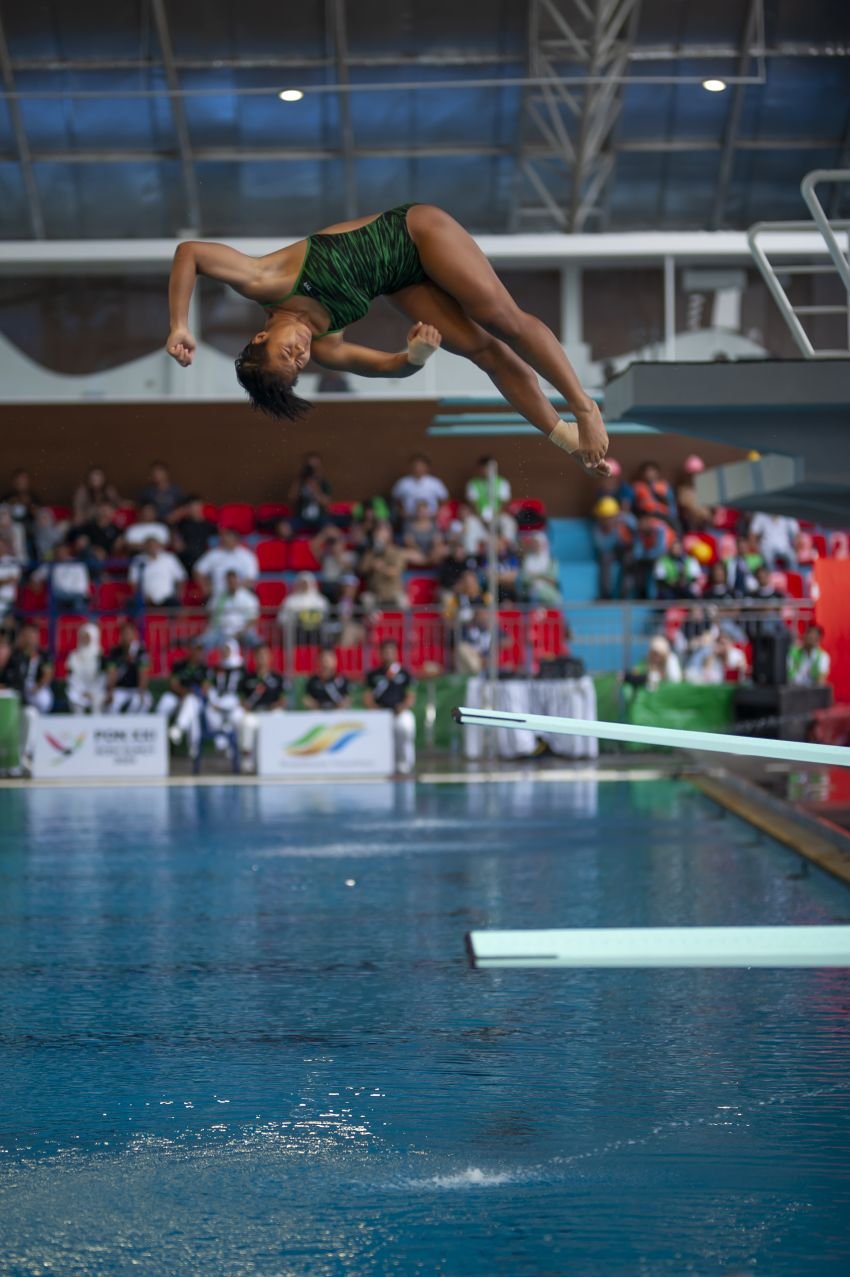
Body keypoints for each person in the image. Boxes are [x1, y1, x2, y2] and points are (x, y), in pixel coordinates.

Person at [165, 204, 610, 473]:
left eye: (287, 350)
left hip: (415, 231)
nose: (302, 352)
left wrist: (180, 324)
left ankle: (583, 407)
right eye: (298, 362)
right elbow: (389, 367)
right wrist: (416, 356)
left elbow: (191, 254)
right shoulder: (327, 347)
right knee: (482, 352)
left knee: (500, 319)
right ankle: (565, 437)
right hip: (401, 279)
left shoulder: (265, 279)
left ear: (262, 332)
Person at [364, 639, 416, 775]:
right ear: (380, 654)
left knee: (405, 727)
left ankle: (405, 764)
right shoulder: (373, 675)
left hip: (400, 712)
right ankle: (381, 764)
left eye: (391, 651)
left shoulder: (404, 674)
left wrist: (402, 707)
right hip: (380, 713)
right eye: (385, 651)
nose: (388, 654)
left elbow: (411, 696)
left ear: (396, 653)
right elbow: (367, 697)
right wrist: (377, 711)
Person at [235, 643, 287, 766]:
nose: (262, 658)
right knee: (246, 722)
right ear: (254, 658)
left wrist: (277, 705)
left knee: (280, 717)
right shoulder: (247, 678)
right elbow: (240, 698)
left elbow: (283, 699)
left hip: (271, 712)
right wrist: (244, 705)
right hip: (254, 713)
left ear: (270, 658)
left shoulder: (277, 678)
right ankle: (247, 760)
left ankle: (278, 757)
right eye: (259, 655)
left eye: (265, 655)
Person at [194, 526, 259, 599]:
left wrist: (233, 587)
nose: (225, 539)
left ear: (236, 539)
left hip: (240, 595)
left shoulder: (247, 556)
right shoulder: (214, 554)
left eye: (229, 537)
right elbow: (198, 570)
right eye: (224, 537)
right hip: (217, 594)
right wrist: (205, 586)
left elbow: (251, 580)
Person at [203, 569, 261, 650]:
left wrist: (241, 632)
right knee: (203, 642)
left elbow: (253, 619)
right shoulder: (219, 596)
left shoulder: (248, 597)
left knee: (258, 643)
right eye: (229, 581)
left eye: (234, 580)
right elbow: (209, 612)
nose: (232, 583)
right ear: (226, 582)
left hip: (242, 632)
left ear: (238, 580)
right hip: (221, 631)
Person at [102, 621, 152, 713]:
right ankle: (113, 727)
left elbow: (144, 675)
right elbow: (111, 673)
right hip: (120, 689)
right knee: (111, 705)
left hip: (136, 689)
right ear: (121, 636)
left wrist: (141, 692)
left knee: (143, 701)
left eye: (130, 634)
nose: (127, 637)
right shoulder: (115, 652)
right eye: (125, 634)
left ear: (135, 635)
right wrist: (110, 691)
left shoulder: (141, 652)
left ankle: (135, 726)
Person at [129, 536, 187, 608]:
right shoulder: (138, 560)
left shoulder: (169, 558)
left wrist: (178, 595)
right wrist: (142, 596)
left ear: (159, 546)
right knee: (130, 604)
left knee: (175, 604)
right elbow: (133, 582)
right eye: (149, 545)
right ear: (144, 547)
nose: (152, 548)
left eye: (154, 545)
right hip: (146, 599)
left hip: (167, 598)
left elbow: (181, 578)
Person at [392, 455, 449, 522]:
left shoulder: (435, 483)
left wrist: (438, 512)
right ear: (411, 467)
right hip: (410, 518)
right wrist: (401, 512)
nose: (418, 468)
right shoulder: (403, 483)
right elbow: (395, 499)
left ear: (427, 467)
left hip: (431, 519)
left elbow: (444, 499)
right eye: (416, 466)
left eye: (421, 466)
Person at [277, 571, 329, 643]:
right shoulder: (290, 600)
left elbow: (325, 617)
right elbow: (282, 619)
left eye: (305, 583)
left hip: (316, 632)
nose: (303, 586)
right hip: (296, 632)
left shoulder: (320, 600)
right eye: (301, 583)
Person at [65, 622, 105, 713]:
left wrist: (92, 691)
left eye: (88, 637)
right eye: (83, 637)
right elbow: (72, 677)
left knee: (98, 699)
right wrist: (81, 691)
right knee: (75, 698)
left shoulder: (100, 656)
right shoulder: (73, 656)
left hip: (96, 690)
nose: (85, 639)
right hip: (78, 690)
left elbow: (102, 678)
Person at [289, 452, 331, 534]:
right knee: (284, 527)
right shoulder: (299, 482)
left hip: (320, 517)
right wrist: (299, 482)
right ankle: (293, 545)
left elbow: (326, 503)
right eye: (310, 466)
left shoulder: (323, 483)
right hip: (301, 517)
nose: (313, 469)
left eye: (316, 466)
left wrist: (315, 489)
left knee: (331, 530)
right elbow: (292, 499)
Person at [171, 496, 217, 571]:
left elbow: (216, 543)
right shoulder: (182, 524)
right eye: (191, 506)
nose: (195, 509)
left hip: (204, 558)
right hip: (186, 558)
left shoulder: (209, 525)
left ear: (201, 506)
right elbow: (176, 539)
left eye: (197, 505)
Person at [0, 535, 22, 625]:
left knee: (6, 628)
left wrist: (2, 582)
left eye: (1, 545)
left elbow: (15, 578)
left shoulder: (13, 561)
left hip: (8, 600)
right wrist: (5, 581)